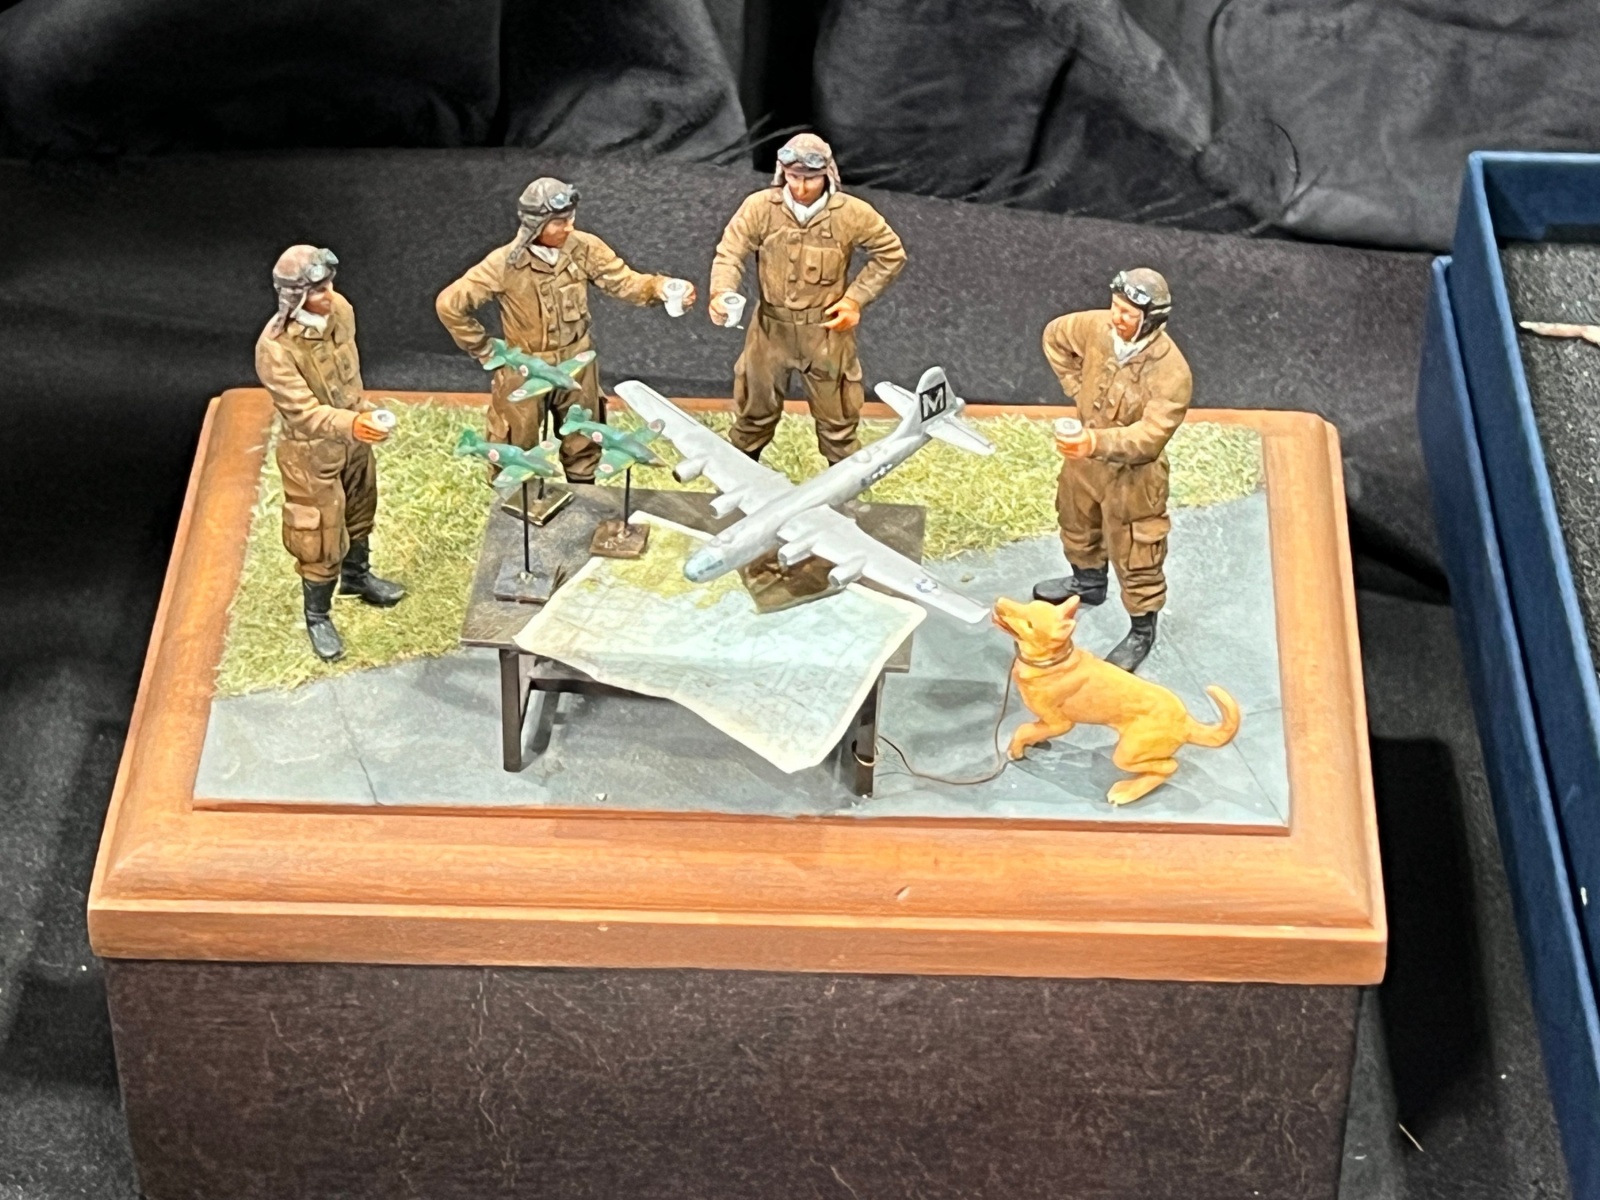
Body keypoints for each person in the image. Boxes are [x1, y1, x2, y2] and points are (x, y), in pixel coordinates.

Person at [436, 177, 694, 481]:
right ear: (536, 224)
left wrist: (660, 287)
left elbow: (623, 282)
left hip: (577, 362)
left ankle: (585, 492)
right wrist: (483, 348)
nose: (569, 227)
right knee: (516, 444)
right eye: (559, 222)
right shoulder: (503, 263)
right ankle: (515, 502)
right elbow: (449, 304)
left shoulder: (584, 248)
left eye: (570, 218)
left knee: (584, 437)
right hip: (526, 367)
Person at [708, 133, 906, 465]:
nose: (801, 188)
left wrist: (854, 300)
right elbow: (730, 253)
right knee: (752, 417)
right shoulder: (760, 208)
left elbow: (891, 254)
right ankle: (739, 481)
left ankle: (842, 488)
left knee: (838, 423)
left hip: (826, 334)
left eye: (810, 179)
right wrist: (722, 293)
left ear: (827, 173)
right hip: (770, 333)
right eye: (793, 177)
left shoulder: (852, 213)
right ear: (782, 172)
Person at [1033, 268, 1192, 674]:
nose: (1117, 318)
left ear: (1151, 320)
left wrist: (1095, 442)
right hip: (1083, 464)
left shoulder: (1171, 372)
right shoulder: (1095, 328)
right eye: (1116, 308)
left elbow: (1151, 436)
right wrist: (1076, 388)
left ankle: (1142, 629)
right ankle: (1088, 582)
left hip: (1134, 479)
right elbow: (1055, 336)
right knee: (1076, 523)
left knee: (1138, 553)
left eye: (1128, 314)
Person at [254, 245, 404, 662]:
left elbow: (349, 377)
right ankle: (317, 615)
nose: (328, 295)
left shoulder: (341, 312)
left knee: (360, 509)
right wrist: (351, 424)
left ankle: (358, 577)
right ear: (295, 296)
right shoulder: (275, 349)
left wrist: (362, 413)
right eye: (317, 290)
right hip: (310, 456)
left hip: (353, 439)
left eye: (328, 285)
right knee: (320, 535)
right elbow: (302, 413)